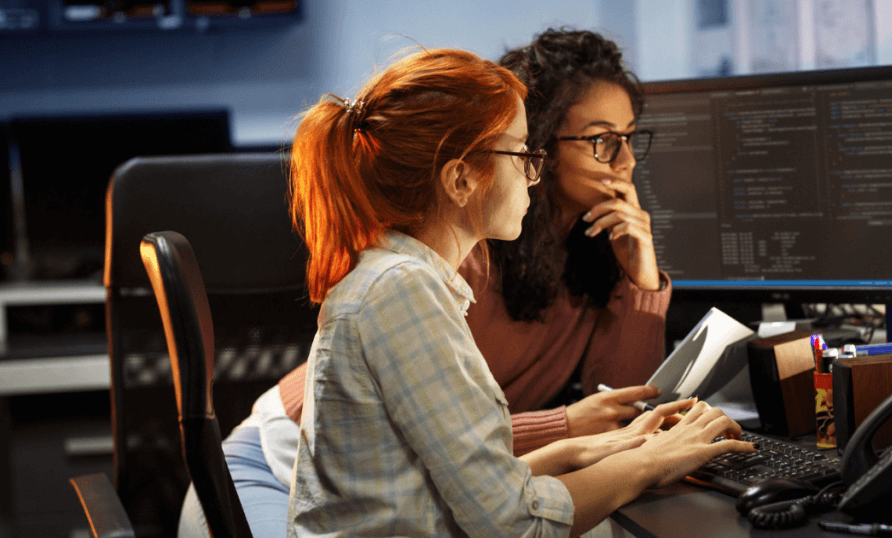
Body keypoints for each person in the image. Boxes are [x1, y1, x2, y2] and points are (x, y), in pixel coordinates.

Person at [178, 28, 684, 537]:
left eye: (629, 137)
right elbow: (492, 499)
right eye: (601, 140)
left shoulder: (432, 266)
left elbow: (613, 404)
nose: (627, 161)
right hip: (269, 468)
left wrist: (638, 279)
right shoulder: (428, 275)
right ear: (463, 178)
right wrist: (587, 440)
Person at [279, 46, 753, 537]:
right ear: (461, 179)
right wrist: (651, 463)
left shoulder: (407, 278)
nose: (534, 173)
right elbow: (516, 524)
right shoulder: (405, 290)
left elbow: (445, 477)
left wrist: (586, 449)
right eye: (523, 153)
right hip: (273, 451)